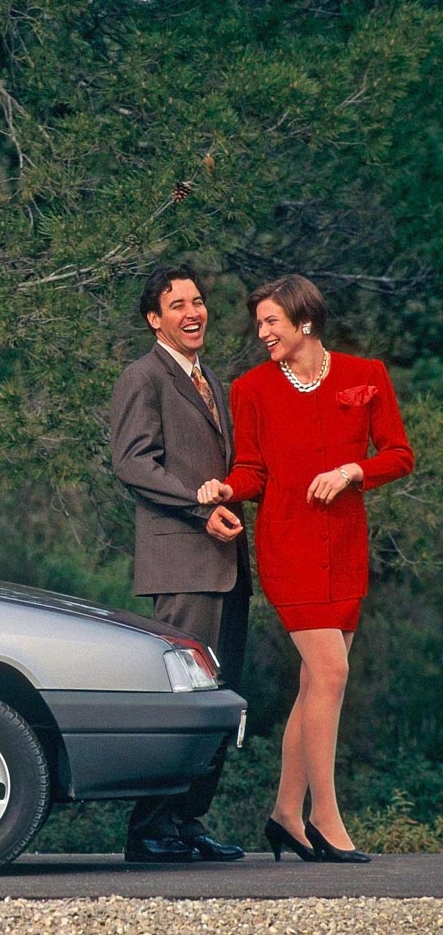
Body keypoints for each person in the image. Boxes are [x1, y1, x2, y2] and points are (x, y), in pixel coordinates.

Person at [197, 274, 413, 864]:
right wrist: (226, 488)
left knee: (318, 682)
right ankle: (325, 815)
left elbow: (399, 454)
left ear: (306, 322)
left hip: (345, 548)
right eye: (260, 322)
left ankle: (285, 814)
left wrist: (352, 471)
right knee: (332, 673)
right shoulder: (252, 388)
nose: (262, 332)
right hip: (288, 546)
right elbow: (253, 471)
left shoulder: (365, 375)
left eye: (272, 321)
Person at [110, 263, 250, 864]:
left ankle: (187, 822)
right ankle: (150, 831)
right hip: (183, 568)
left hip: (227, 562)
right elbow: (133, 463)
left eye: (198, 302)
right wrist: (197, 503)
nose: (194, 313)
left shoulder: (210, 381)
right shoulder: (143, 377)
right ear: (154, 318)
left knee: (219, 700)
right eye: (178, 306)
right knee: (186, 703)